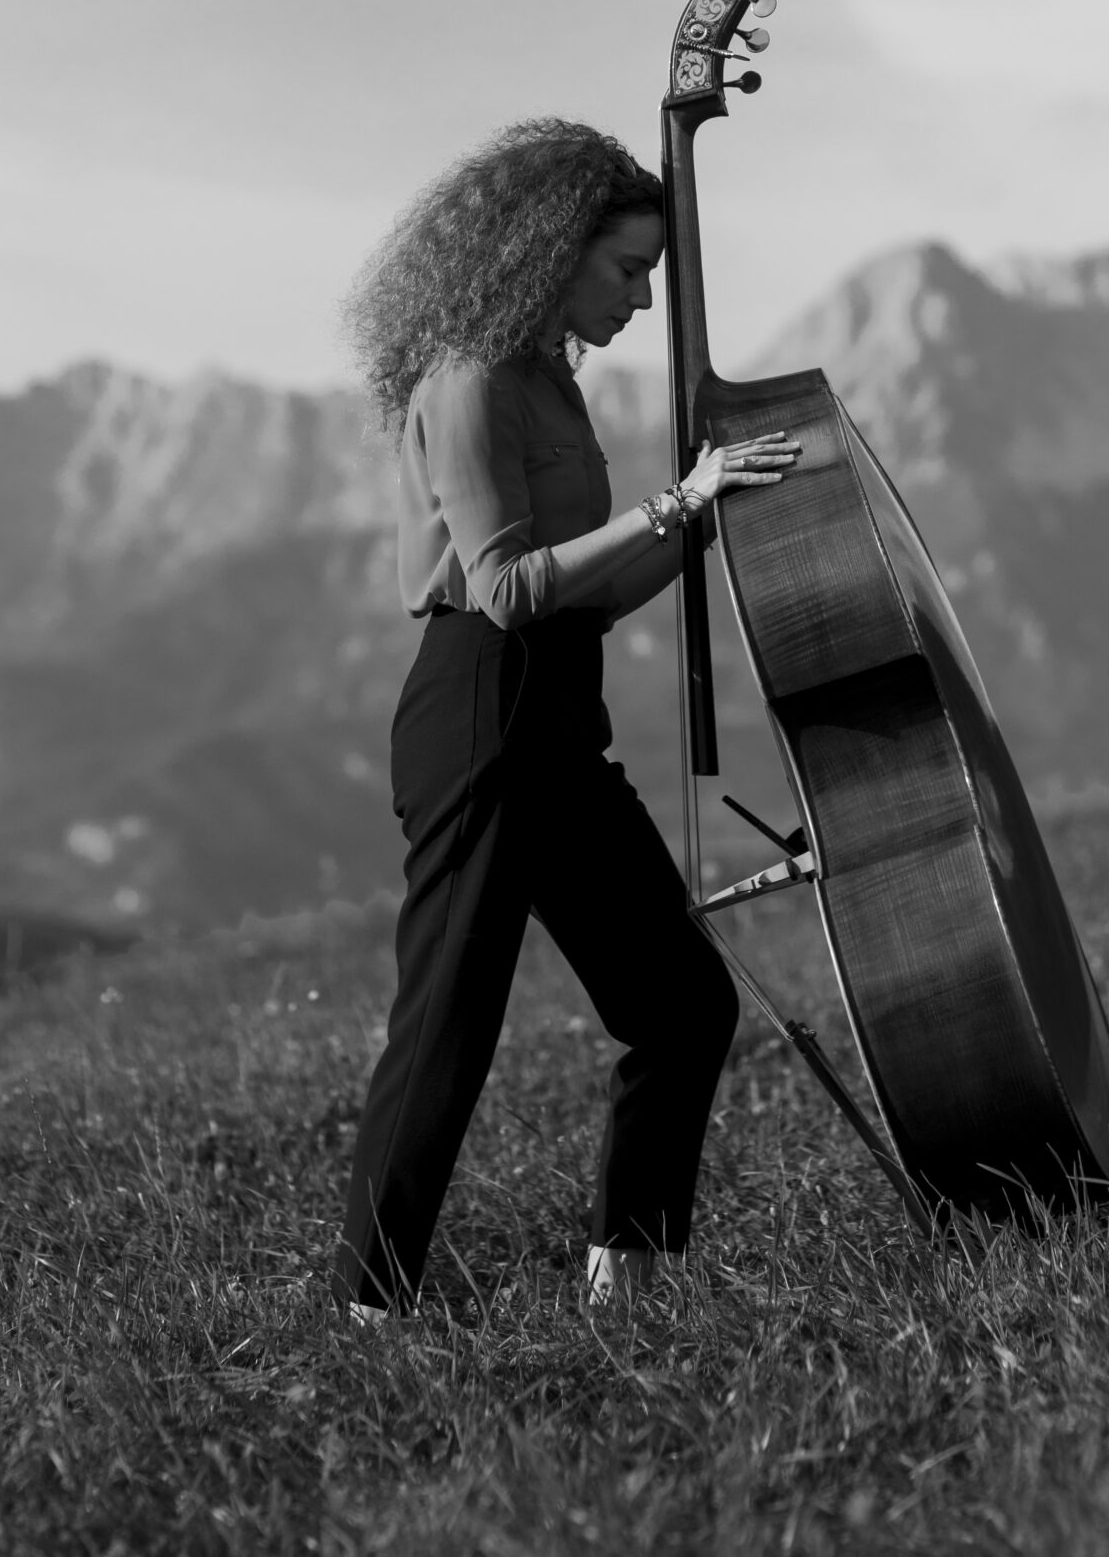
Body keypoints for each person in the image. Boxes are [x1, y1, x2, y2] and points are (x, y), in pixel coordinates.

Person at [335, 118, 799, 1320]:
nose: (644, 298)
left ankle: (627, 1284)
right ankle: (367, 1306)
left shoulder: (542, 375)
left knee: (683, 1005)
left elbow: (585, 586)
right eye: (625, 268)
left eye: (652, 271)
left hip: (556, 713)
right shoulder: (471, 377)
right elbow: (506, 586)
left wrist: (705, 516)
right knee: (447, 1023)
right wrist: (669, 501)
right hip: (482, 709)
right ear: (550, 250)